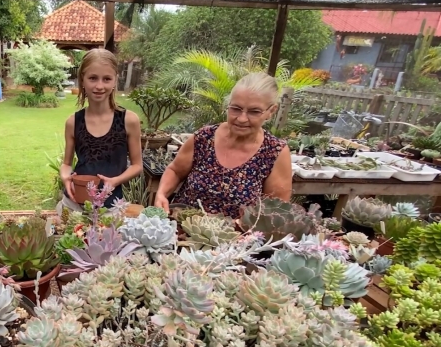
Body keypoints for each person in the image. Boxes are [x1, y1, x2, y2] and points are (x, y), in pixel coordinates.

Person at [154, 72, 292, 219]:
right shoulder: (204, 137)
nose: (242, 118)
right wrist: (162, 193)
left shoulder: (274, 152)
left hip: (236, 239)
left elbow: (275, 211)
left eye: (254, 112)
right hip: (180, 229)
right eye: (236, 108)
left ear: (271, 111)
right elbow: (175, 171)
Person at [59, 48, 143, 210]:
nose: (99, 86)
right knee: (65, 236)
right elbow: (66, 164)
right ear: (82, 80)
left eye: (106, 79)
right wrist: (65, 177)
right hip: (73, 205)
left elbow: (137, 165)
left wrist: (115, 181)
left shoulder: (128, 120)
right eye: (92, 78)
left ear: (115, 81)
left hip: (111, 207)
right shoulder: (73, 122)